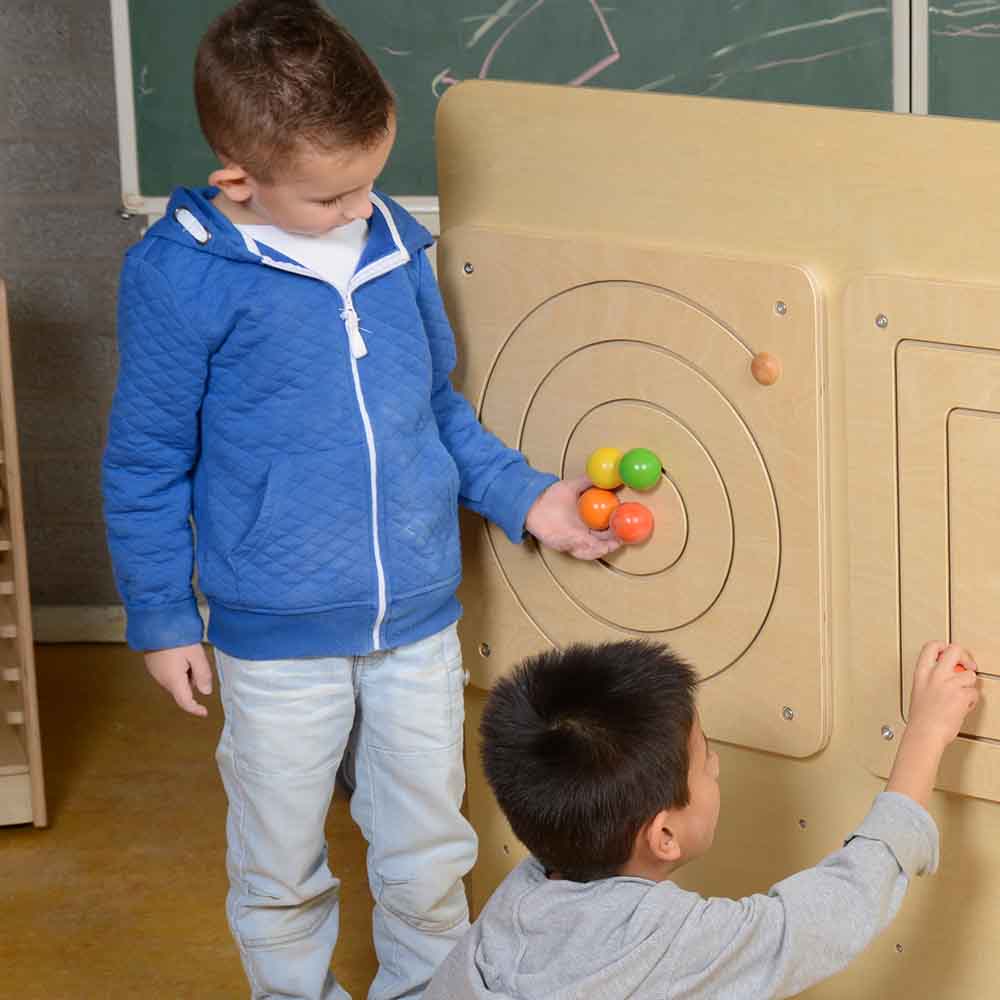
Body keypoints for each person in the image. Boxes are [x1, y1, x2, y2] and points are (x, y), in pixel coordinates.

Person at [101, 2, 618, 997]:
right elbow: (145, 461)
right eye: (333, 194)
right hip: (275, 635)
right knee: (280, 857)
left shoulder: (389, 244)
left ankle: (428, 988)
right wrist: (162, 616)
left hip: (415, 618)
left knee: (430, 845)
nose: (363, 206)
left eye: (372, 178)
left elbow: (435, 409)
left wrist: (527, 499)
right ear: (237, 180)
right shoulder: (178, 279)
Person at [426, 639, 980, 999]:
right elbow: (830, 914)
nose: (715, 764)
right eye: (704, 763)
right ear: (663, 836)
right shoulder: (663, 944)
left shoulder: (515, 905)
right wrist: (926, 735)